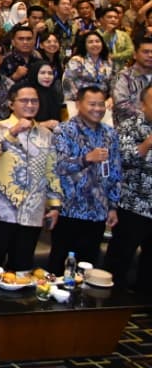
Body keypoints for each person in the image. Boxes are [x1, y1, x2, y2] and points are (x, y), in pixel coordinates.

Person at [0, 83, 63, 270]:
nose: (30, 105)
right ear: (11, 104)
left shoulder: (46, 135)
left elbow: (52, 171)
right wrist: (13, 132)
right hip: (0, 211)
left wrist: (55, 205)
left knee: (22, 268)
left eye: (34, 101)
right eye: (24, 100)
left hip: (32, 212)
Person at [49, 86, 121, 271]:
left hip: (98, 211)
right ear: (79, 104)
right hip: (69, 210)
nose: (97, 108)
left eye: (101, 104)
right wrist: (86, 158)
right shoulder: (64, 130)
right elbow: (57, 167)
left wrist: (112, 206)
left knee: (87, 267)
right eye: (92, 104)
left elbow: (114, 171)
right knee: (59, 264)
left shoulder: (110, 134)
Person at [104, 85, 152, 294]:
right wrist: (147, 144)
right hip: (131, 204)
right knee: (120, 258)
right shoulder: (128, 127)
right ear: (143, 104)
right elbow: (119, 160)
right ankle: (111, 306)